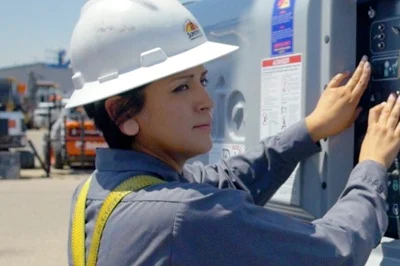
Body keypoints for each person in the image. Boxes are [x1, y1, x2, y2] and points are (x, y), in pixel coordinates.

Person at [66, 0, 400, 265]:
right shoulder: (183, 218)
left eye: (203, 80)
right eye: (181, 88)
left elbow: (226, 179)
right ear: (122, 112)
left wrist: (311, 128)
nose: (207, 101)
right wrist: (372, 164)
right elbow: (334, 252)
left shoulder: (96, 193)